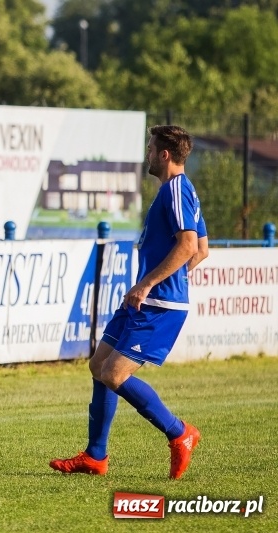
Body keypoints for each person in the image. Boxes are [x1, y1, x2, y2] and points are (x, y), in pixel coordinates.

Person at [50, 125, 209, 479]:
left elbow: (187, 246)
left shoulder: (176, 191)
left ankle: (179, 432)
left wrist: (152, 284)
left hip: (157, 305)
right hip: (146, 300)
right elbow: (202, 249)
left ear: (164, 155)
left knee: (115, 374)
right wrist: (168, 279)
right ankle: (95, 456)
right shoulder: (178, 190)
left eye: (151, 148)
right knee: (99, 366)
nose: (147, 154)